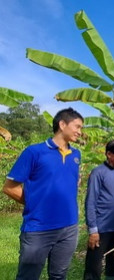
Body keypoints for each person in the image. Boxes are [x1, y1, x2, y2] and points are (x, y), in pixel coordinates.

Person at [2, 107, 83, 280]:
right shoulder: (35, 152)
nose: (80, 132)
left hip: (69, 227)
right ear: (62, 124)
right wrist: (35, 203)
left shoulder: (76, 154)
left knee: (59, 275)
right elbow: (9, 187)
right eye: (77, 126)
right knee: (28, 276)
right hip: (39, 228)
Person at [83, 140, 114, 280]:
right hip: (101, 228)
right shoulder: (98, 173)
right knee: (94, 265)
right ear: (109, 154)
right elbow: (91, 201)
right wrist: (93, 230)